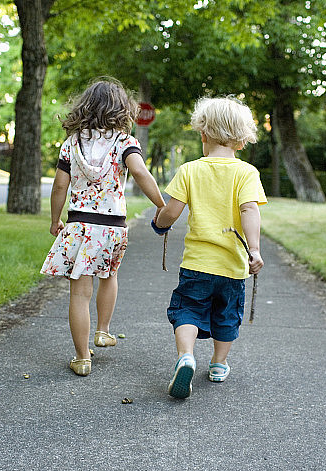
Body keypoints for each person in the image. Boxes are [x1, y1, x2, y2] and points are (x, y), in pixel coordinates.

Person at [41, 78, 166, 377]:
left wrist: (54, 219)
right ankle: (103, 330)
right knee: (109, 276)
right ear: (121, 109)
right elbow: (139, 172)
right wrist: (162, 205)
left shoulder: (72, 144)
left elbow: (60, 185)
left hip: (79, 225)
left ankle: (82, 358)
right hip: (111, 227)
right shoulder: (125, 143)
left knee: (79, 294)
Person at [153, 96, 267, 399]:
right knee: (227, 314)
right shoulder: (246, 173)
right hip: (232, 266)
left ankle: (186, 356)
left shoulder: (190, 170)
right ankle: (218, 363)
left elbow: (172, 211)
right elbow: (249, 211)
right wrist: (253, 249)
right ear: (242, 140)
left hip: (197, 264)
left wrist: (161, 223)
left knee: (187, 309)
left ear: (203, 133)